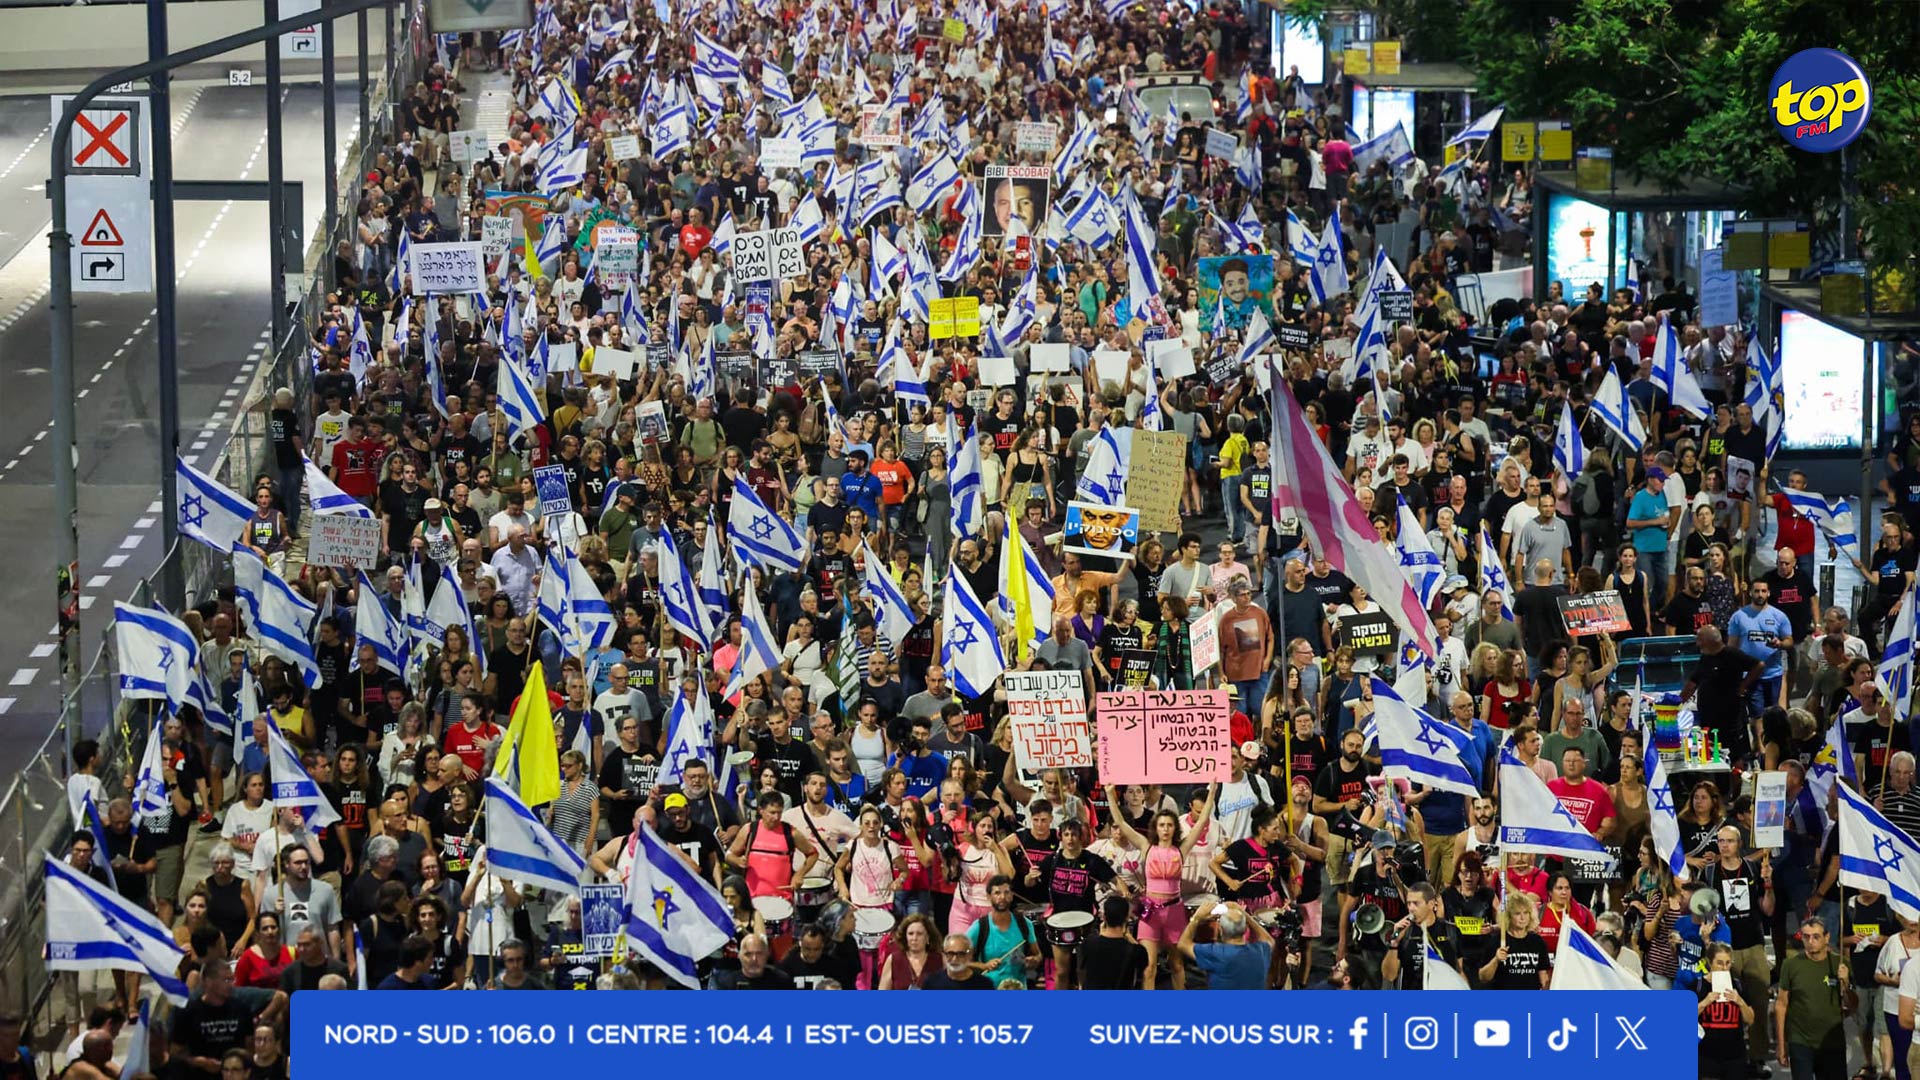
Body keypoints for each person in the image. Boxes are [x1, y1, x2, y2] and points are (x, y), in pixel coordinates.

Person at [1777, 918, 1850, 1080]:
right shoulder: (1790, 965)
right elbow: (1781, 1004)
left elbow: (1852, 1006)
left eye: (1816, 936)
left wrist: (1845, 983)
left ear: (1827, 937)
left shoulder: (1840, 964)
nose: (1810, 942)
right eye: (1806, 937)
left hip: (1832, 1043)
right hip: (1800, 1041)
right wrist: (1781, 1044)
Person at [1175, 899, 1275, 990]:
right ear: (1245, 929)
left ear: (1220, 930)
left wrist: (1196, 918)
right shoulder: (1260, 951)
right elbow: (1269, 940)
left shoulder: (1216, 954)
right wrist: (1245, 915)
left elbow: (1183, 944)